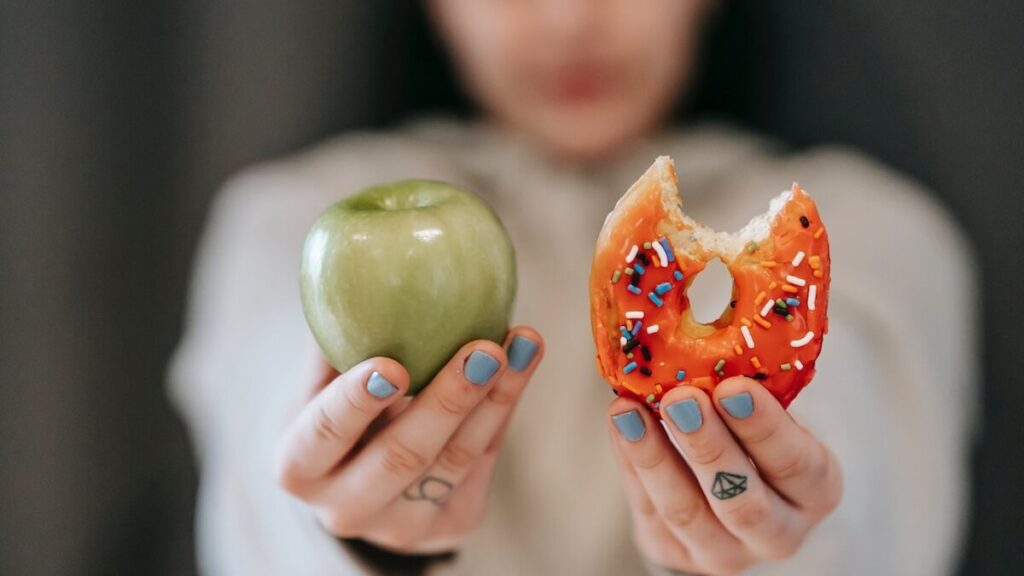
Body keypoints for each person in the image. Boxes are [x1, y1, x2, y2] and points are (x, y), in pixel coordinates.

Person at [168, 1, 977, 574]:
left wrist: (781, 540)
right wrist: (352, 532)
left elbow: (863, 457)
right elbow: (262, 455)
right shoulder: (279, 221)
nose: (568, 18)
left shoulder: (878, 227)